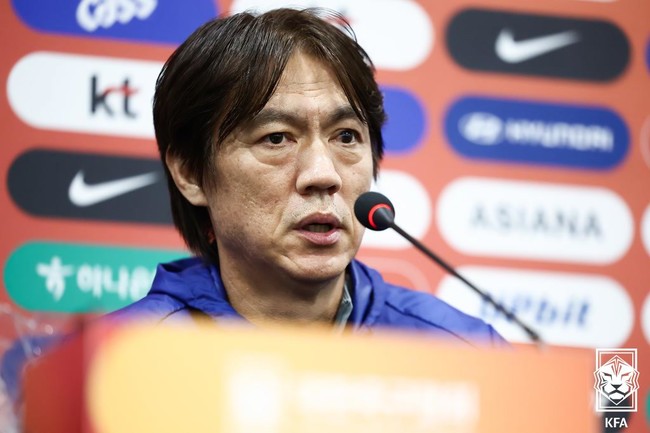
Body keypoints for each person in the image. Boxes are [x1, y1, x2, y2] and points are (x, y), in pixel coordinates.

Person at [113, 7, 506, 347]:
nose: (323, 175)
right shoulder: (120, 359)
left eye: (346, 137)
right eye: (276, 138)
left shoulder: (465, 353)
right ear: (190, 173)